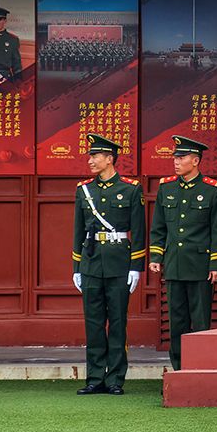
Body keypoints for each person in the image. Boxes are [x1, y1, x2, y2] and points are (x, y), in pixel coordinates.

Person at [72, 133, 146, 395]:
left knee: (117, 321)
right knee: (93, 323)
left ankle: (115, 378)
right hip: (91, 262)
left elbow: (139, 230)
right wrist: (77, 267)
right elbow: (78, 230)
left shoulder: (130, 188)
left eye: (95, 156)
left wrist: (136, 266)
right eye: (90, 156)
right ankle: (94, 377)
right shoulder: (84, 190)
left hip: (119, 263)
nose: (90, 161)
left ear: (109, 159)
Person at [148, 135, 217, 371]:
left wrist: (216, 264)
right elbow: (158, 226)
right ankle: (179, 369)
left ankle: (200, 368)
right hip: (174, 264)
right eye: (175, 157)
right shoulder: (166, 187)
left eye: (181, 158)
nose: (176, 162)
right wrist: (156, 256)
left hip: (200, 266)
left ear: (195, 161)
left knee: (201, 320)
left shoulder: (213, 189)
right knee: (177, 320)